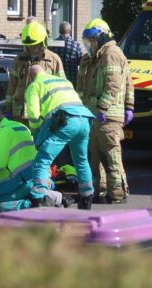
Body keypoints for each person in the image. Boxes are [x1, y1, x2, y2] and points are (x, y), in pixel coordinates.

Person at [78, 18, 134, 204]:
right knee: (95, 155)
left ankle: (117, 194)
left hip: (107, 115)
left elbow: (113, 85)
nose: (90, 45)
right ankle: (99, 190)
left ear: (101, 37)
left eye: (92, 40)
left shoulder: (111, 54)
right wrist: (84, 66)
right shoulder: (98, 56)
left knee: (111, 156)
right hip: (96, 114)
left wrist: (103, 107)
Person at [26, 65, 94, 209]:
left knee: (43, 158)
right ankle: (87, 197)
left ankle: (38, 197)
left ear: (30, 77)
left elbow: (33, 115)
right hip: (85, 118)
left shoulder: (34, 85)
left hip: (66, 119)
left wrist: (36, 132)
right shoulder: (63, 81)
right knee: (81, 160)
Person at [0, 107, 38, 214]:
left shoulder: (0, 132)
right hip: (36, 176)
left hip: (19, 182)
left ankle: (31, 205)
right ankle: (48, 197)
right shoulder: (20, 126)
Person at [5, 21, 65, 123]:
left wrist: (61, 111)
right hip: (20, 115)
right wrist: (8, 110)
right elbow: (11, 87)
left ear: (43, 43)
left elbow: (61, 89)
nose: (30, 48)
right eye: (27, 46)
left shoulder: (54, 60)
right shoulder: (19, 60)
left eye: (34, 45)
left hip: (44, 114)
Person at [50, 21, 84, 86]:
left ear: (59, 31)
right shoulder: (76, 45)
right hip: (71, 81)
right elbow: (80, 62)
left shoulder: (52, 44)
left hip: (56, 81)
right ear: (70, 31)